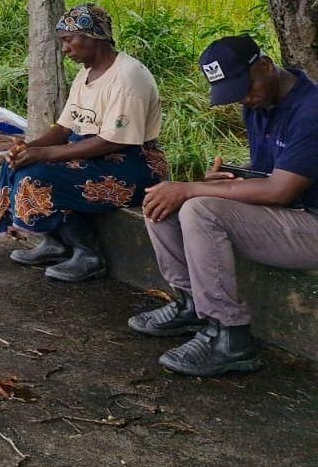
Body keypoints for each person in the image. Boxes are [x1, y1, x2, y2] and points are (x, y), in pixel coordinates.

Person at [127, 36, 318, 377]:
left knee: (198, 208)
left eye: (246, 88)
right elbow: (270, 174)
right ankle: (190, 304)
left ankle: (230, 335)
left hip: (311, 224)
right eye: (235, 93)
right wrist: (226, 181)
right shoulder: (261, 103)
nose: (244, 98)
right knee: (162, 198)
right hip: (291, 214)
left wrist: (193, 189)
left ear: (266, 65)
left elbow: (280, 191)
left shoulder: (311, 109)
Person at [0, 3, 166, 282]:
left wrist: (45, 155)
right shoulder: (85, 73)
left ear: (92, 37)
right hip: (91, 153)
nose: (65, 49)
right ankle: (55, 243)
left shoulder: (128, 77)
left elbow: (113, 142)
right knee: (14, 164)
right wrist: (29, 148)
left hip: (133, 163)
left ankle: (88, 255)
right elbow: (65, 127)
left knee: (38, 177)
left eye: (68, 40)